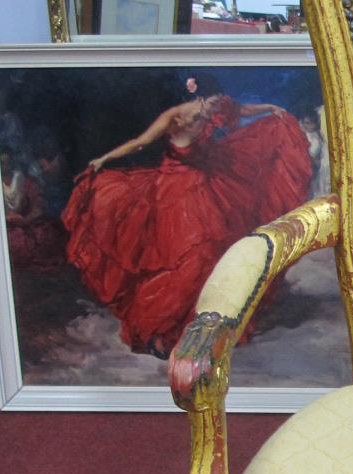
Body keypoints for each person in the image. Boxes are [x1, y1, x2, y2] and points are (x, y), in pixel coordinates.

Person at [61, 77, 312, 357]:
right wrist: (104, 159)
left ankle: (200, 326)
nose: (219, 103)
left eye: (220, 97)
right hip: (174, 190)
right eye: (214, 98)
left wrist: (271, 107)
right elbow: (139, 143)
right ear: (199, 97)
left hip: (208, 185)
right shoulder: (175, 117)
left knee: (211, 253)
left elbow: (242, 111)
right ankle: (161, 330)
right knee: (183, 258)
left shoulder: (221, 107)